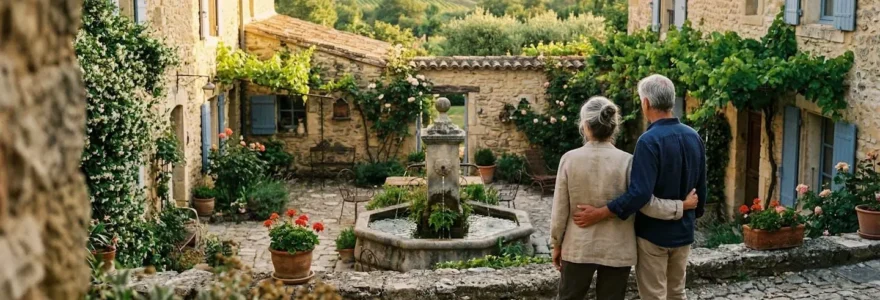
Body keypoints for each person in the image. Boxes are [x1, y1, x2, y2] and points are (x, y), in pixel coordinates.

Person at [572, 75, 707, 300]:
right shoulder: (694, 137)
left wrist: (601, 212)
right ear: (671, 101)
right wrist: (688, 213)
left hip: (653, 235)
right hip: (684, 233)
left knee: (653, 296)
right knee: (677, 293)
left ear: (645, 103)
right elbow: (701, 188)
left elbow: (640, 194)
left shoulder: (648, 141)